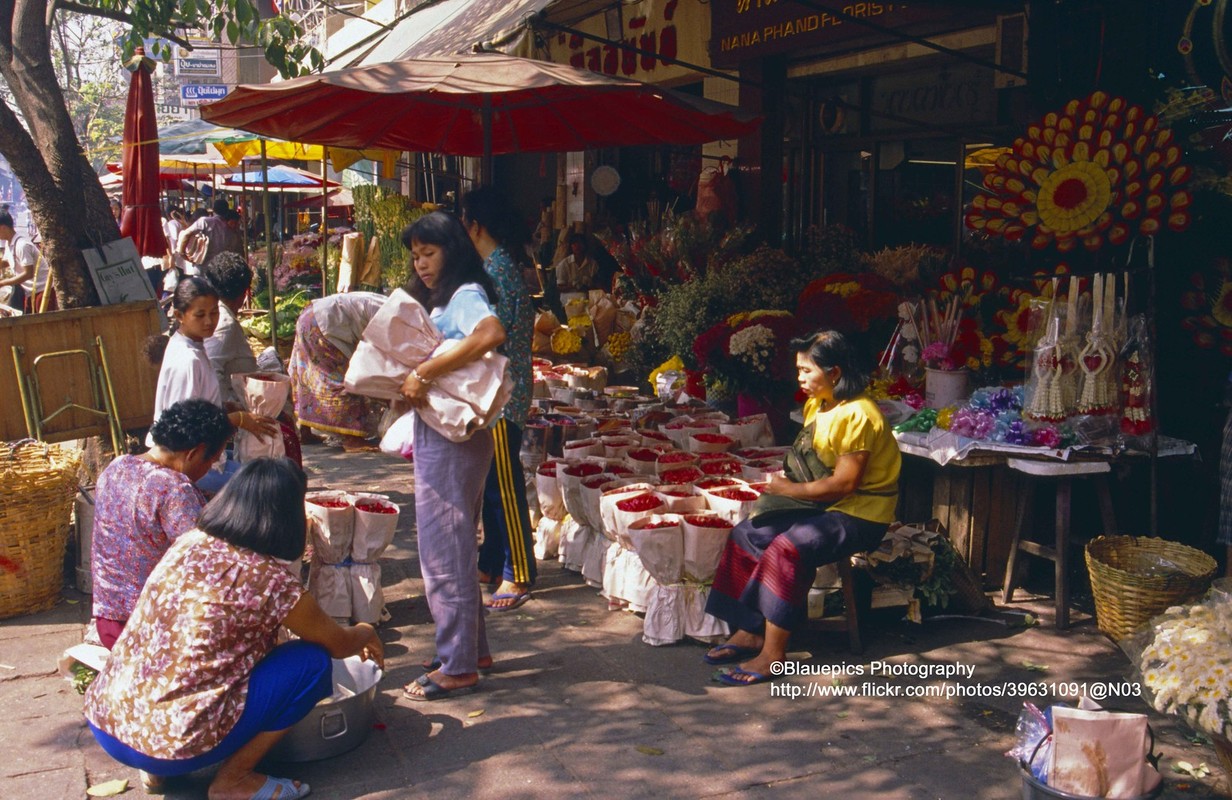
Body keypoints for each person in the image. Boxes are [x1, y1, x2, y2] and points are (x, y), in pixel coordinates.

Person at [85, 457, 384, 799]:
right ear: (285, 517)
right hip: (171, 745)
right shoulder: (271, 582)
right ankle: (234, 781)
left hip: (109, 722)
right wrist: (365, 630)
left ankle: (155, 771)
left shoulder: (189, 543)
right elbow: (338, 644)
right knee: (312, 663)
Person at [703, 330, 901, 685]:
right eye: (799, 370)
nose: (800, 378)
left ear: (835, 373)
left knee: (787, 548)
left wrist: (789, 489)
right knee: (748, 532)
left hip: (860, 513)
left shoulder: (859, 414)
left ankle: (772, 656)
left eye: (807, 371)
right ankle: (750, 630)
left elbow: (844, 484)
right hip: (826, 504)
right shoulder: (819, 405)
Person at [398, 211, 507, 700]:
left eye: (430, 252)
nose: (421, 263)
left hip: (454, 437)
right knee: (453, 543)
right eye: (416, 255)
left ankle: (459, 666)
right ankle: (468, 649)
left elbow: (490, 334)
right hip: (445, 431)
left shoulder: (465, 294)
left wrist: (423, 374)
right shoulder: (445, 295)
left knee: (444, 548)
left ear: (453, 250)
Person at [90, 399, 232, 649]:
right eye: (212, 460)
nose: (210, 467)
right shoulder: (173, 487)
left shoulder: (116, 466)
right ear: (194, 452)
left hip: (106, 620)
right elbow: (205, 560)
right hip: (147, 627)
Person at [461, 187, 537, 611]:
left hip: (504, 393)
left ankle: (519, 571)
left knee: (505, 488)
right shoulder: (494, 265)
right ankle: (491, 560)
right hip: (495, 392)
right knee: (490, 484)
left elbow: (494, 333)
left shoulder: (500, 269)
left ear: (475, 225)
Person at [146, 276, 278, 492]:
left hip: (199, 455)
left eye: (214, 313)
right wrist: (238, 419)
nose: (209, 321)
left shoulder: (192, 346)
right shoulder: (188, 360)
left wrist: (223, 406)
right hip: (184, 462)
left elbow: (196, 403)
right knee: (267, 488)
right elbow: (186, 427)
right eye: (200, 315)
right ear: (179, 315)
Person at [201, 251, 303, 464]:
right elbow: (212, 368)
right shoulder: (223, 324)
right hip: (230, 418)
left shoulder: (223, 317)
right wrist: (232, 417)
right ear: (244, 294)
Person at [288, 290, 388, 452]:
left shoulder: (389, 305)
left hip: (309, 315)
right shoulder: (395, 315)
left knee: (305, 374)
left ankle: (304, 431)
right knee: (343, 377)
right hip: (324, 322)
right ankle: (351, 440)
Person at [0, 209, 43, 312]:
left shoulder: (22, 245)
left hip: (41, 291)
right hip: (29, 292)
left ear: (3, 228)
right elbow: (7, 262)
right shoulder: (9, 243)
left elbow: (28, 274)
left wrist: (3, 283)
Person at [553, 231, 598, 296]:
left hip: (588, 297)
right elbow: (559, 287)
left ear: (585, 245)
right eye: (574, 243)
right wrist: (573, 285)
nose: (577, 246)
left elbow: (596, 284)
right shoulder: (564, 264)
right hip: (569, 298)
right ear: (571, 246)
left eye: (580, 243)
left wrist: (586, 285)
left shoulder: (592, 264)